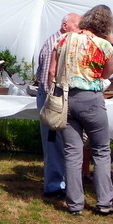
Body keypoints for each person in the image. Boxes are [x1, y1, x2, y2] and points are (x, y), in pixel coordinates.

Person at [48, 4, 113, 216]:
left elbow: (52, 71)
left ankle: (74, 204)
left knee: (72, 153)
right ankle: (104, 202)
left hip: (66, 99)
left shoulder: (63, 39)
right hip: (90, 101)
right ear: (106, 25)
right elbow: (106, 74)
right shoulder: (103, 45)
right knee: (101, 150)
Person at [36, 13, 81, 197]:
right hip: (52, 99)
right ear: (65, 26)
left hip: (58, 98)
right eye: (77, 25)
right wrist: (54, 104)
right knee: (53, 142)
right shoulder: (53, 44)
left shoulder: (65, 43)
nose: (80, 29)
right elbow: (49, 77)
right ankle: (54, 186)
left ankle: (61, 181)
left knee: (61, 142)